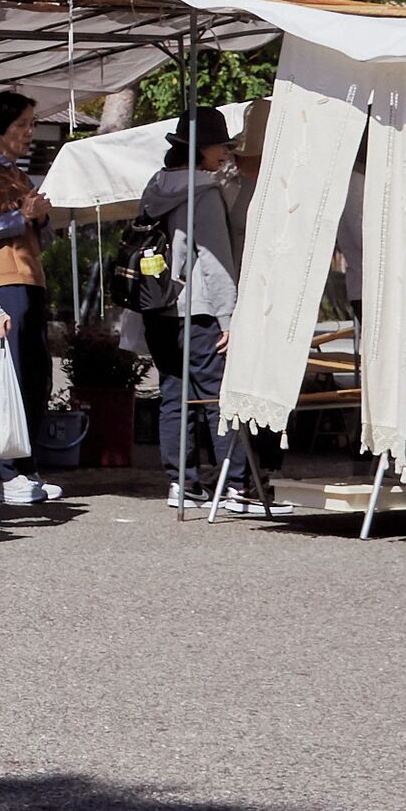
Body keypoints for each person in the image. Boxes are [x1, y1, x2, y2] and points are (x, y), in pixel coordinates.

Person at [137, 106, 262, 511]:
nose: (225, 155)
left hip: (158, 308)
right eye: (221, 147)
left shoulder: (156, 186)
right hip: (199, 309)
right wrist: (230, 319)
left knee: (175, 395)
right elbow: (215, 260)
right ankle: (235, 484)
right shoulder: (204, 192)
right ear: (202, 149)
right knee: (219, 397)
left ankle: (182, 483)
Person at [0, 90, 63, 510]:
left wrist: (40, 218)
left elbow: (37, 238)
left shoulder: (21, 176)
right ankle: (5, 472)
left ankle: (25, 468)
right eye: (21, 126)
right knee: (8, 379)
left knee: (34, 377)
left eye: (31, 124)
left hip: (31, 280)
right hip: (2, 283)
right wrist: (21, 217)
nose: (30, 133)